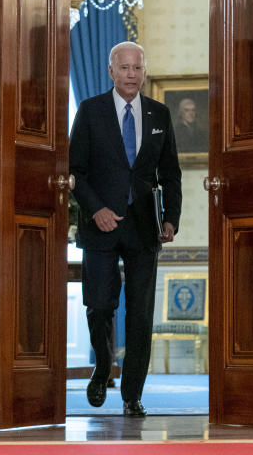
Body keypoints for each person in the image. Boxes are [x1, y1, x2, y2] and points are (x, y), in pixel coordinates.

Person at [69, 41, 182, 417]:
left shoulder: (160, 114)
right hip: (101, 225)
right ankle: (102, 366)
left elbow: (171, 174)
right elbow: (75, 173)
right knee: (99, 306)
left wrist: (171, 218)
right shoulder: (90, 111)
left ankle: (132, 394)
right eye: (125, 68)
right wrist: (95, 208)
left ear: (144, 72)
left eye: (137, 68)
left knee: (139, 313)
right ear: (111, 71)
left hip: (144, 228)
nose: (131, 75)